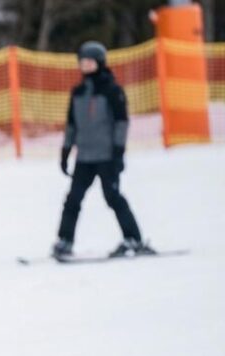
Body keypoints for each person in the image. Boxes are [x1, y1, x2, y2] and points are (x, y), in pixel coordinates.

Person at [53, 41, 155, 260]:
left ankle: (133, 239)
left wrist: (118, 151)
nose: (85, 65)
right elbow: (71, 125)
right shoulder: (78, 92)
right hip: (84, 157)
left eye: (90, 62)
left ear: (99, 63)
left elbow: (121, 122)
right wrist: (66, 150)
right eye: (82, 62)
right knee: (73, 199)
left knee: (113, 197)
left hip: (106, 156)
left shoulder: (112, 90)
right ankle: (64, 241)